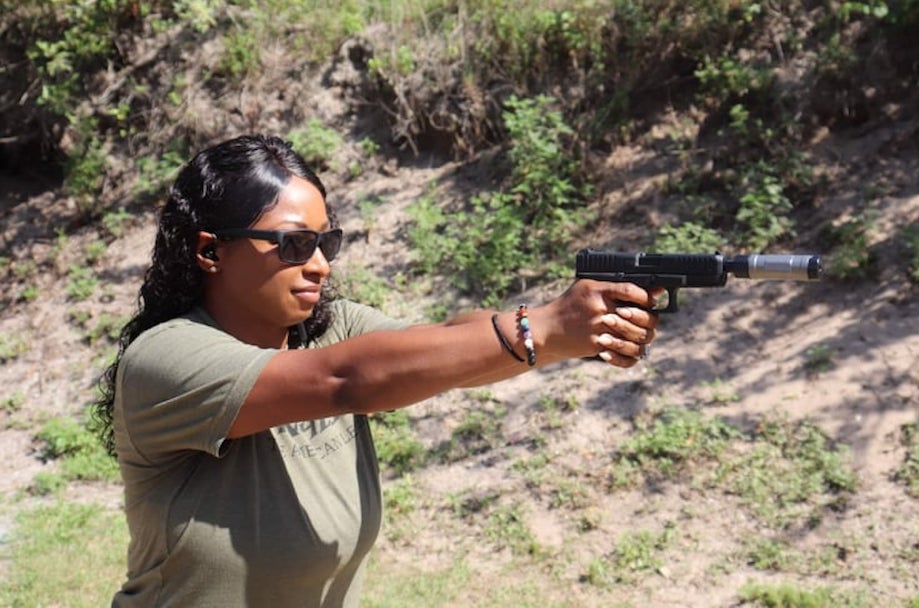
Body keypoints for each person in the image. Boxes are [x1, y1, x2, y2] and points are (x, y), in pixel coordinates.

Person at [94, 134, 660, 607]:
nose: (318, 264)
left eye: (324, 242)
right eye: (292, 244)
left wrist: (563, 333)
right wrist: (541, 329)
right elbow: (345, 381)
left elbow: (439, 347)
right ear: (211, 252)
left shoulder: (330, 327)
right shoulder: (165, 357)